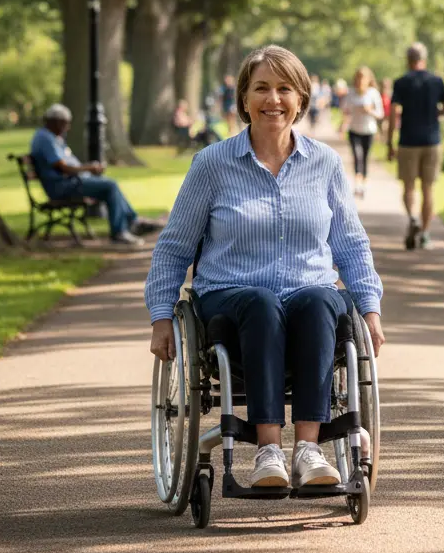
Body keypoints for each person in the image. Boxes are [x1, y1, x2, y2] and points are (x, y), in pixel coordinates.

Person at [145, 45, 385, 490]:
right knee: (261, 302)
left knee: (319, 300)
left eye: (284, 88)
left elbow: (352, 244)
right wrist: (161, 315)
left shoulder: (325, 164)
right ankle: (268, 451)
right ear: (244, 98)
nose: (273, 99)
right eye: (261, 88)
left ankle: (309, 449)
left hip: (308, 296)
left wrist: (370, 310)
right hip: (231, 299)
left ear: (301, 99)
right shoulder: (212, 165)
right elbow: (174, 247)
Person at [30, 105, 155, 246]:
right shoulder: (45, 139)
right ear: (55, 121)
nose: (67, 128)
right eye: (65, 123)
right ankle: (122, 230)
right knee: (110, 186)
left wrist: (87, 169)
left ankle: (131, 223)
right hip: (63, 187)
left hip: (71, 182)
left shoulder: (51, 137)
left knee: (108, 185)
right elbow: (63, 167)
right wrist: (89, 168)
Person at [386, 42, 444, 250]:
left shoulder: (401, 83)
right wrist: (433, 112)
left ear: (408, 60)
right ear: (424, 58)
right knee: (428, 188)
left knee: (409, 187)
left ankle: (412, 218)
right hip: (432, 141)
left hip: (408, 141)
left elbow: (393, 113)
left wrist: (389, 142)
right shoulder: (437, 81)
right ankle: (425, 233)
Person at [341, 66, 385, 198]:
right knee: (356, 156)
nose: (360, 81)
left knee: (365, 158)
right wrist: (343, 125)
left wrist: (369, 111)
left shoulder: (373, 93)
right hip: (354, 130)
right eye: (358, 78)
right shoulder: (351, 93)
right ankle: (357, 184)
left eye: (363, 78)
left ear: (368, 80)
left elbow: (380, 114)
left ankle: (364, 185)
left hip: (368, 131)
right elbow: (345, 110)